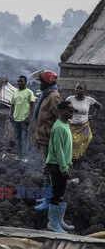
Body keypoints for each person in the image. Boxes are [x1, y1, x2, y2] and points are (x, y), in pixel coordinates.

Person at [45, 100, 76, 233]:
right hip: (57, 166)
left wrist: (69, 163)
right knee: (57, 194)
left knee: (61, 194)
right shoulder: (58, 127)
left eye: (72, 111)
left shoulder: (65, 125)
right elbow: (58, 150)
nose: (71, 113)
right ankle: (53, 223)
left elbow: (66, 147)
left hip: (63, 164)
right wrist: (63, 168)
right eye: (69, 111)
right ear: (62, 111)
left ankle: (59, 221)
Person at [32, 70, 61, 211]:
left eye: (42, 82)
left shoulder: (54, 97)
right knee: (45, 168)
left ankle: (49, 200)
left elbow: (60, 118)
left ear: (47, 83)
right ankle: (47, 196)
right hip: (43, 138)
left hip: (49, 139)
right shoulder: (46, 95)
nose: (40, 85)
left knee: (48, 169)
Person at [65, 83, 102, 170]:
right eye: (77, 88)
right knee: (73, 145)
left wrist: (93, 116)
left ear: (85, 91)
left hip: (84, 127)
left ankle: (78, 168)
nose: (78, 90)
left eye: (80, 88)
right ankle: (72, 167)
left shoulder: (89, 100)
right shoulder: (70, 99)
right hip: (73, 127)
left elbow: (99, 107)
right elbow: (64, 110)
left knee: (82, 147)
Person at [10, 75, 36, 162]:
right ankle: (19, 155)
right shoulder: (15, 93)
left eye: (21, 81)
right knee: (17, 138)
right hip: (16, 119)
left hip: (24, 119)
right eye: (18, 81)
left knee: (24, 138)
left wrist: (29, 117)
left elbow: (33, 105)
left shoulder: (29, 92)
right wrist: (11, 115)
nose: (19, 83)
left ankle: (25, 157)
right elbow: (12, 105)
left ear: (25, 82)